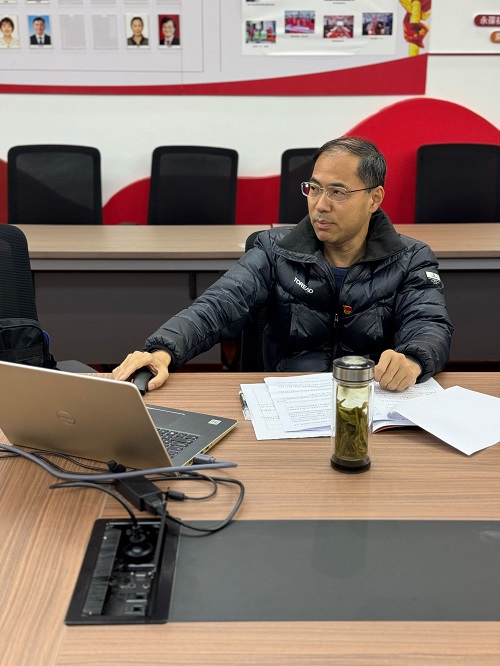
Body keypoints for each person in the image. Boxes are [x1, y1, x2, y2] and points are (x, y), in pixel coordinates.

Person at [113, 136, 453, 393]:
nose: (321, 205)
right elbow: (218, 305)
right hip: (287, 402)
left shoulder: (411, 258)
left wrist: (413, 359)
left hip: (366, 404)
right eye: (314, 189)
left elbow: (430, 324)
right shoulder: (275, 250)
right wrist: (162, 351)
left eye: (337, 192)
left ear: (374, 198)